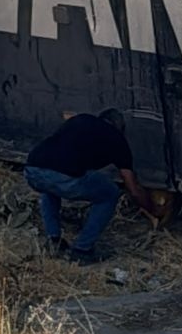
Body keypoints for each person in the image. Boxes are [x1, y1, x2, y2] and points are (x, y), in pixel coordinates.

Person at [23, 108, 152, 263]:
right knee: (110, 193)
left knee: (50, 187)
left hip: (32, 168)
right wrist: (151, 209)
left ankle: (54, 240)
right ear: (119, 127)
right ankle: (82, 250)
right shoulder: (117, 138)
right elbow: (133, 189)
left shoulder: (80, 120)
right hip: (64, 176)